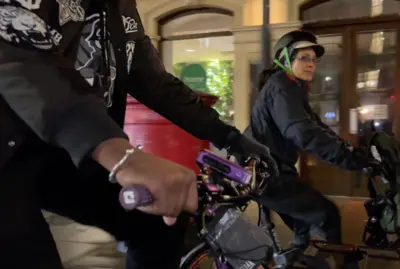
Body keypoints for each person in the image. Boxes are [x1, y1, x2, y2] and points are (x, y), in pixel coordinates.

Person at [0, 1, 278, 268]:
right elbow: (17, 49)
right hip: (11, 150)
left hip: (65, 155)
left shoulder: (121, 10)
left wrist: (230, 138)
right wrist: (118, 153)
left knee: (162, 220)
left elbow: (157, 84)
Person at [245, 30, 378, 268]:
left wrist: (349, 149)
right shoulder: (281, 86)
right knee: (325, 215)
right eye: (304, 58)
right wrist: (348, 159)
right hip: (267, 173)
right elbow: (301, 132)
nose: (311, 64)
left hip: (272, 169)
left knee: (305, 226)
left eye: (314, 60)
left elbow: (315, 126)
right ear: (285, 59)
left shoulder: (292, 88)